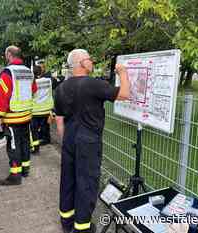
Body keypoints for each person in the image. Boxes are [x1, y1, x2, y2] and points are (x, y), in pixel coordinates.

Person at [55, 49, 130, 233]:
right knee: (86, 182)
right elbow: (124, 95)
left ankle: (67, 222)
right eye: (89, 59)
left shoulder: (61, 88)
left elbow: (59, 119)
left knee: (68, 179)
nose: (92, 61)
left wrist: (67, 141)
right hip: (88, 141)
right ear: (81, 63)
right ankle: (82, 228)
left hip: (70, 138)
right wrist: (123, 73)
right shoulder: (93, 84)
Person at [0, 45, 37, 186]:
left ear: (9, 55)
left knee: (13, 145)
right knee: (25, 142)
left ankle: (15, 175)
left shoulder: (7, 73)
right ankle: (25, 170)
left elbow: (2, 96)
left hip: (12, 117)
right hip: (26, 116)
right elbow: (34, 90)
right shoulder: (28, 72)